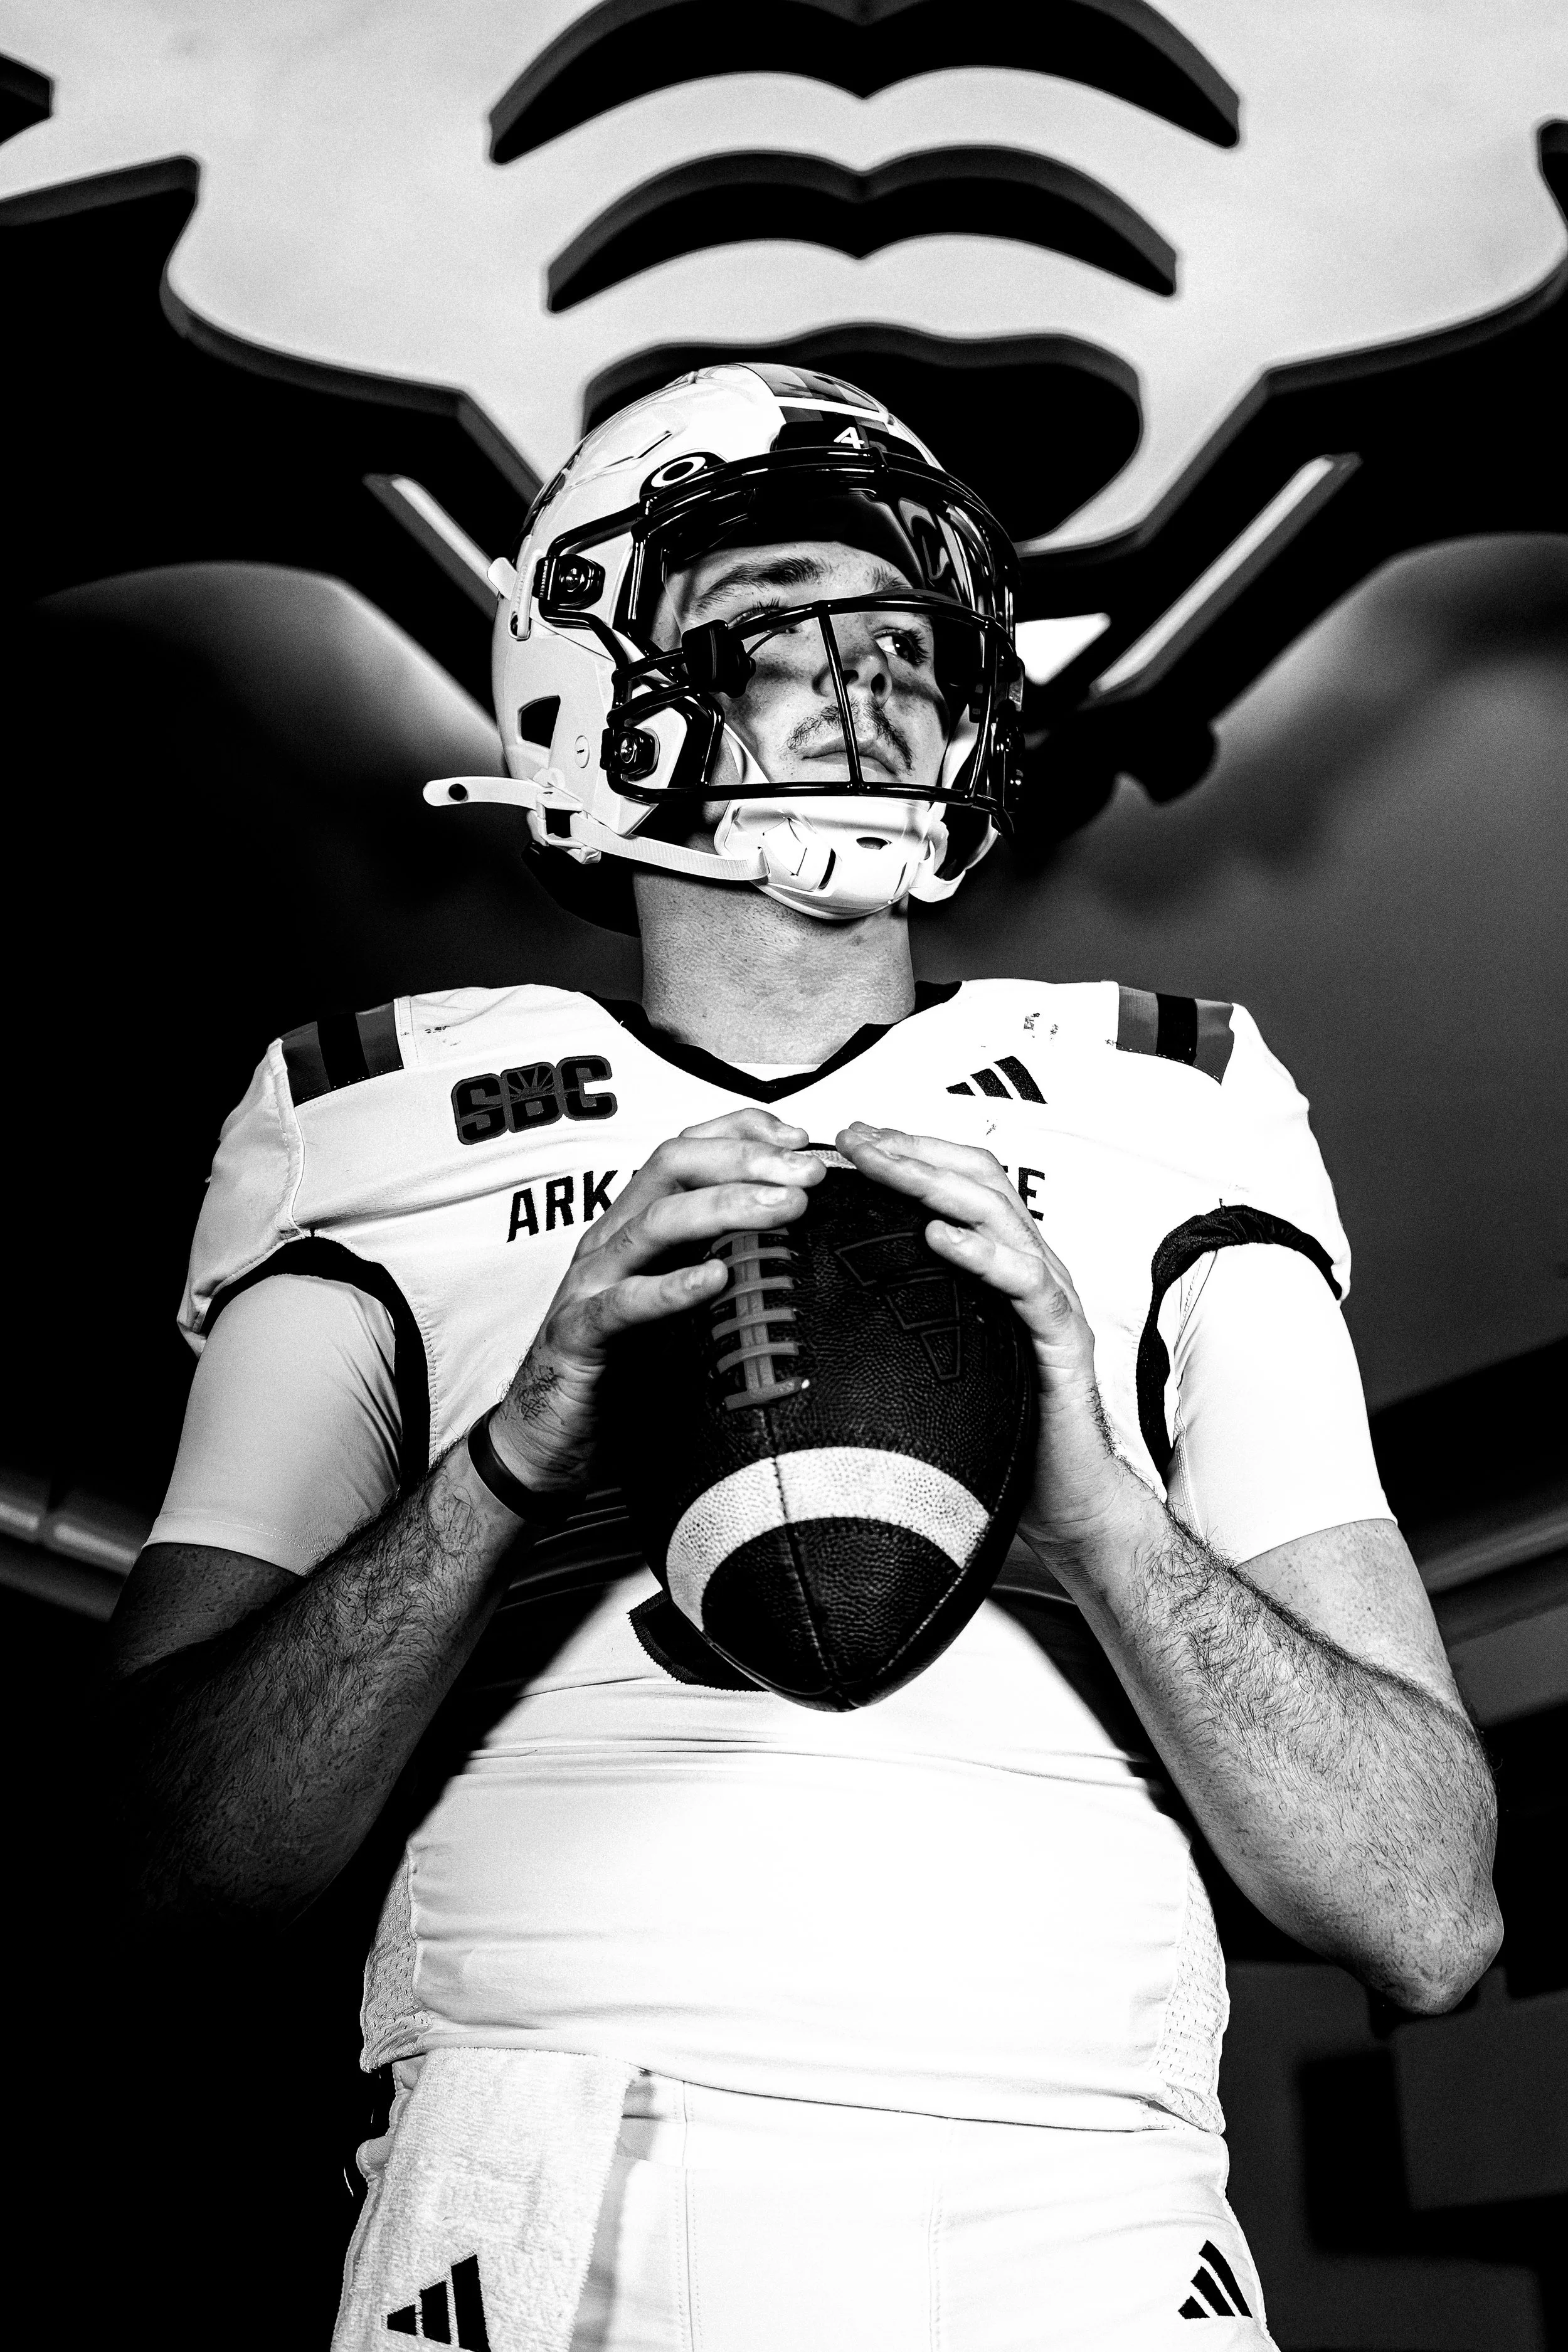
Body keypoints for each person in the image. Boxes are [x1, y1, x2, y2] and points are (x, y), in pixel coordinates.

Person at [107, 364, 1500, 2352]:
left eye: (902, 629)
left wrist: (1099, 1507)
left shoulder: (1174, 1103)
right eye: (774, 610)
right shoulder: (383, 1119)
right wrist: (515, 1461)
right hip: (554, 2184)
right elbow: (145, 1892)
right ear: (590, 680)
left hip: (1090, 2201)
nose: (862, 675)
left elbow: (1429, 1911)